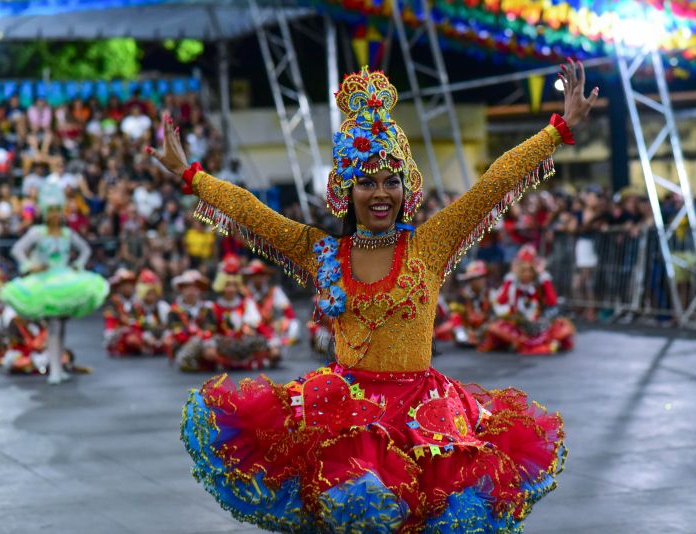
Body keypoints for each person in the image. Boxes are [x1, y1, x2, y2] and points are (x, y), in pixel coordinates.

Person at [150, 61, 595, 530]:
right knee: (355, 509)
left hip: (424, 416)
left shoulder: (430, 244)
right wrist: (190, 175)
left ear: (406, 187)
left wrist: (557, 130)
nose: (380, 193)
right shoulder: (320, 252)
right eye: (366, 181)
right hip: (344, 413)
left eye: (390, 180)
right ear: (347, 189)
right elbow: (254, 213)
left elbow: (492, 185)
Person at [0, 180, 109, 384]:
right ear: (45, 212)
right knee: (54, 326)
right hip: (46, 282)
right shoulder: (37, 233)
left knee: (61, 325)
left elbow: (85, 249)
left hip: (66, 279)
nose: (55, 215)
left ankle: (57, 367)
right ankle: (55, 370)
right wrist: (31, 265)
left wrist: (79, 264)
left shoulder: (67, 234)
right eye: (51, 211)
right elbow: (17, 250)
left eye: (58, 211)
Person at [479, 246, 575, 355]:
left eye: (529, 270)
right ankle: (516, 343)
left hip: (539, 326)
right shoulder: (512, 283)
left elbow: (552, 301)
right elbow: (501, 300)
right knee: (496, 328)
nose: (527, 274)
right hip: (518, 327)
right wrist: (510, 280)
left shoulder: (540, 284)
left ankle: (540, 343)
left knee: (562, 328)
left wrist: (544, 278)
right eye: (523, 270)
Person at [210, 255, 275, 370]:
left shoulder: (246, 304)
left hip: (243, 341)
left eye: (234, 286)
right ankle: (233, 362)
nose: (230, 289)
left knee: (260, 341)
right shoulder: (213, 307)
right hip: (223, 342)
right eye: (227, 286)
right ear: (221, 286)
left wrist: (271, 340)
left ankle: (235, 363)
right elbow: (210, 331)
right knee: (211, 346)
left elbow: (257, 324)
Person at [164, 269, 216, 372]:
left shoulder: (207, 308)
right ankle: (182, 359)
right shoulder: (174, 310)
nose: (191, 291)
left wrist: (202, 335)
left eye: (194, 288)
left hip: (204, 342)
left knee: (211, 353)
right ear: (182, 289)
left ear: (200, 290)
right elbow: (177, 333)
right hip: (182, 344)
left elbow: (211, 328)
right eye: (187, 287)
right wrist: (196, 335)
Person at [243, 258, 300, 348]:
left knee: (294, 324)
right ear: (250, 277)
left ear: (265, 276)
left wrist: (285, 322)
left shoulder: (273, 291)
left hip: (270, 325)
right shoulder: (244, 292)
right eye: (255, 275)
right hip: (252, 328)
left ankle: (277, 342)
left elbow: (288, 311)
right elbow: (251, 319)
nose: (258, 277)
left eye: (261, 274)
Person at [436, 260, 494, 347]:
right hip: (466, 327)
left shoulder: (491, 294)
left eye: (481, 277)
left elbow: (493, 316)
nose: (480, 281)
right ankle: (462, 337)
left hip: (485, 327)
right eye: (475, 279)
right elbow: (455, 314)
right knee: (441, 331)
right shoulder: (463, 295)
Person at [103, 268, 144, 356]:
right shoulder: (112, 304)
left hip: (138, 332)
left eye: (129, 284)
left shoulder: (138, 302)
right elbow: (110, 325)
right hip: (119, 335)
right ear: (118, 287)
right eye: (123, 285)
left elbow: (141, 320)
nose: (127, 288)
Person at [134, 269, 172, 355]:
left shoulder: (163, 306)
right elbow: (137, 327)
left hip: (161, 336)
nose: (151, 296)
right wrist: (148, 338)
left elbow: (170, 326)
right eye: (148, 293)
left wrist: (164, 338)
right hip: (145, 337)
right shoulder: (137, 308)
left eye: (153, 293)